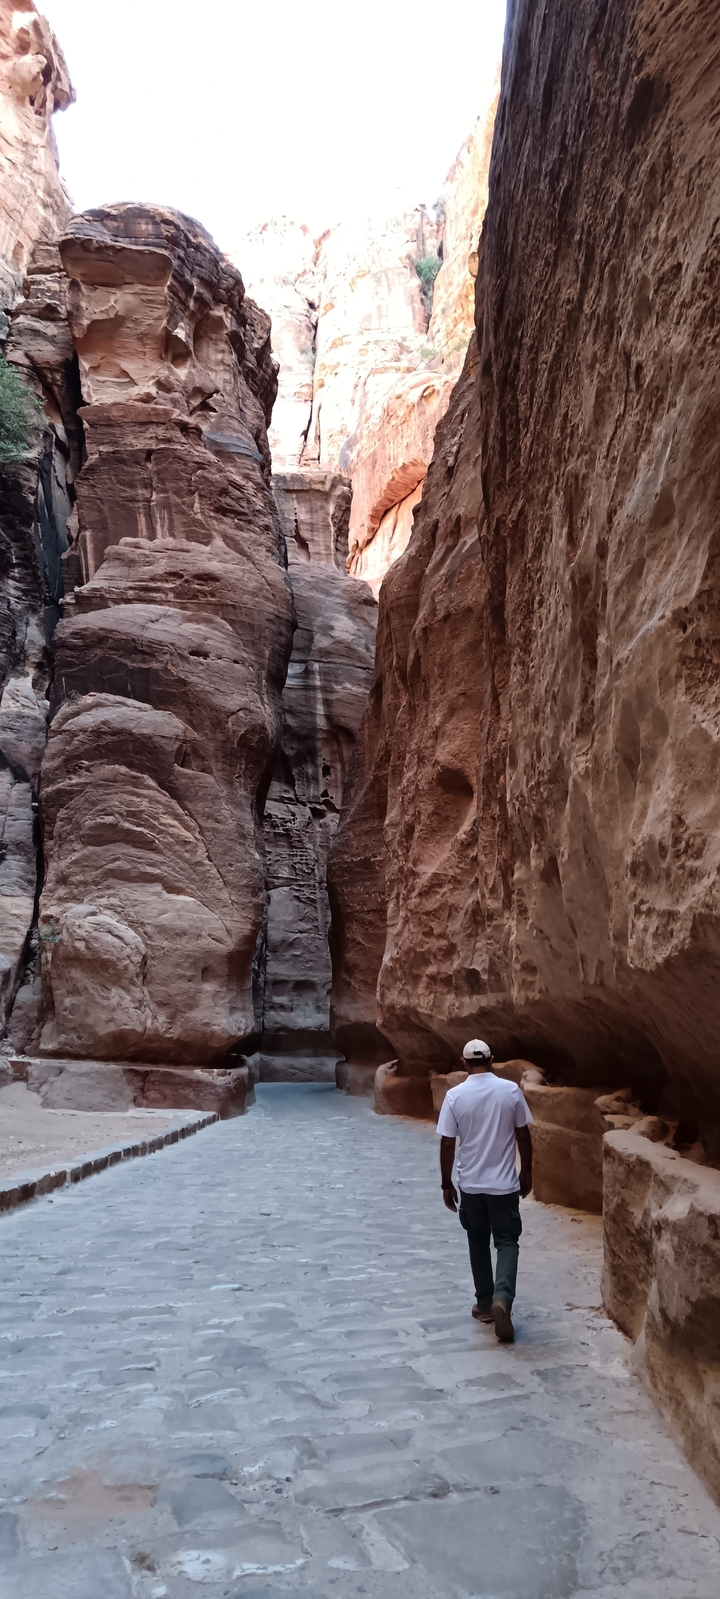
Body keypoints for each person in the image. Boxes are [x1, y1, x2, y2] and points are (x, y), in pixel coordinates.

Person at [437, 1039, 533, 1344]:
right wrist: (526, 1171)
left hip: (471, 1185)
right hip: (504, 1184)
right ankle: (502, 1298)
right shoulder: (510, 1091)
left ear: (464, 1063)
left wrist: (446, 1182)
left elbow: (448, 1142)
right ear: (492, 1059)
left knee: (477, 1240)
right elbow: (523, 1134)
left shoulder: (455, 1096)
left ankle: (484, 1303)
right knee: (507, 1242)